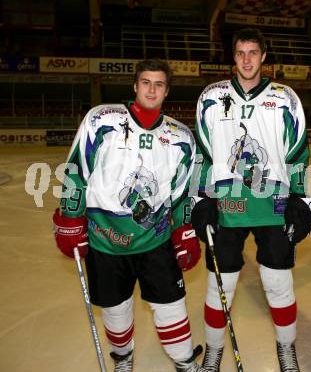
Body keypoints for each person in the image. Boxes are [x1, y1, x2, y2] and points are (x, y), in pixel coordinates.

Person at [53, 59, 208, 372]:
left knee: (171, 307)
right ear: (135, 86)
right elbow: (76, 171)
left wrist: (184, 232)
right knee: (115, 309)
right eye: (146, 82)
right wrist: (71, 219)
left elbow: (182, 195)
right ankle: (123, 359)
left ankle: (184, 362)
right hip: (104, 239)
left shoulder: (180, 138)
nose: (152, 89)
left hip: (155, 239)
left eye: (159, 84)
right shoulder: (101, 120)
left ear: (167, 92)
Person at [191, 28, 311, 372]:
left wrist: (300, 199)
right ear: (233, 57)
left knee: (278, 283)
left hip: (272, 203)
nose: (247, 59)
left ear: (263, 56)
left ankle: (286, 349)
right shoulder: (211, 97)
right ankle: (214, 351)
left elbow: (298, 154)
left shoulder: (286, 97)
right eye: (241, 52)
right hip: (226, 204)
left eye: (253, 52)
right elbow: (202, 153)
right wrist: (201, 200)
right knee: (221, 286)